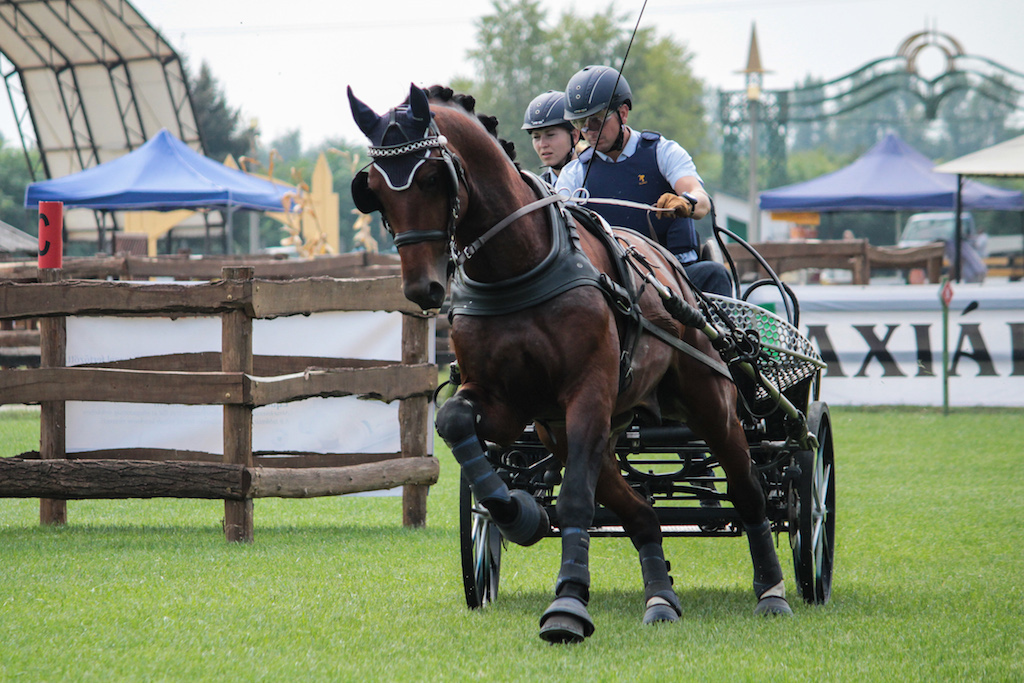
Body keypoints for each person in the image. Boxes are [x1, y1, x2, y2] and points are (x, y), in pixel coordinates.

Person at [555, 65, 732, 297]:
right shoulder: (574, 174)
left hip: (677, 274)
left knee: (715, 273)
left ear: (623, 113)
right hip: (614, 281)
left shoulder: (663, 152)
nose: (588, 131)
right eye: (580, 124)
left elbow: (702, 201)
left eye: (596, 121)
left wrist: (686, 203)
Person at [522, 90, 580, 186]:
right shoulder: (536, 189)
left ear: (574, 136)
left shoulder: (595, 177)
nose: (542, 145)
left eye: (550, 135)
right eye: (536, 137)